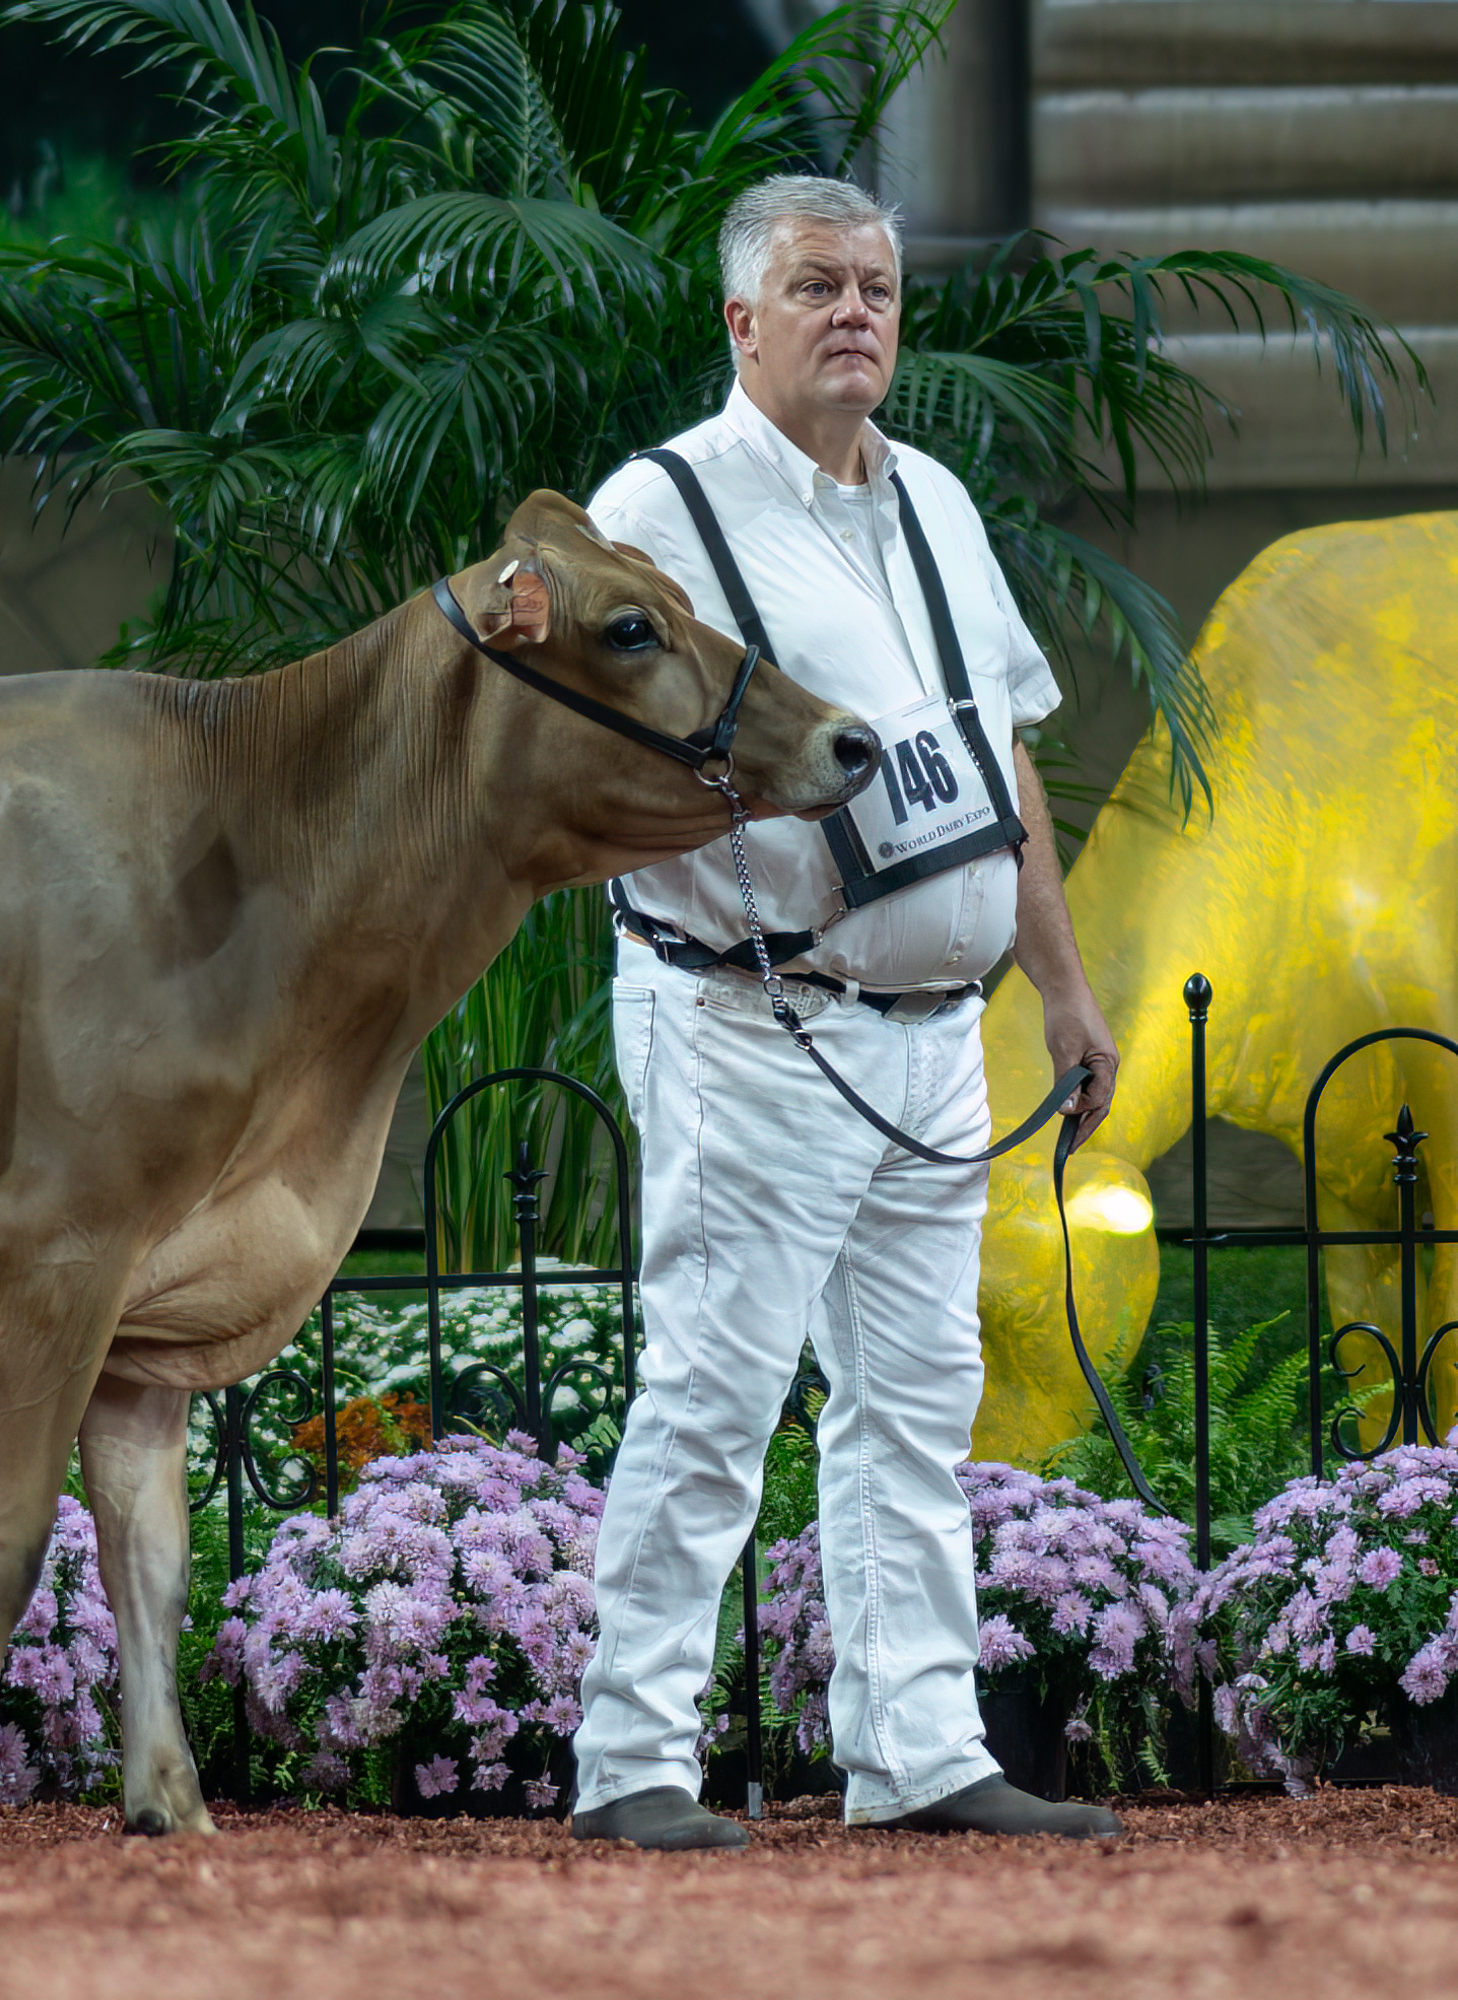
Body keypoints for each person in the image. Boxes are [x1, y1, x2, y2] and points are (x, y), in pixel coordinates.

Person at [564, 174, 1124, 1850]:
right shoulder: (657, 509)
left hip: (938, 1034)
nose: (856, 313)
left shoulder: (936, 496)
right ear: (744, 321)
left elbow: (1003, 754)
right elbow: (580, 750)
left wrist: (1063, 987)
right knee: (714, 1391)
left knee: (919, 1402)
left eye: (876, 286)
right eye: (817, 287)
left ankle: (919, 1753)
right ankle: (630, 1764)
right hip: (751, 1019)